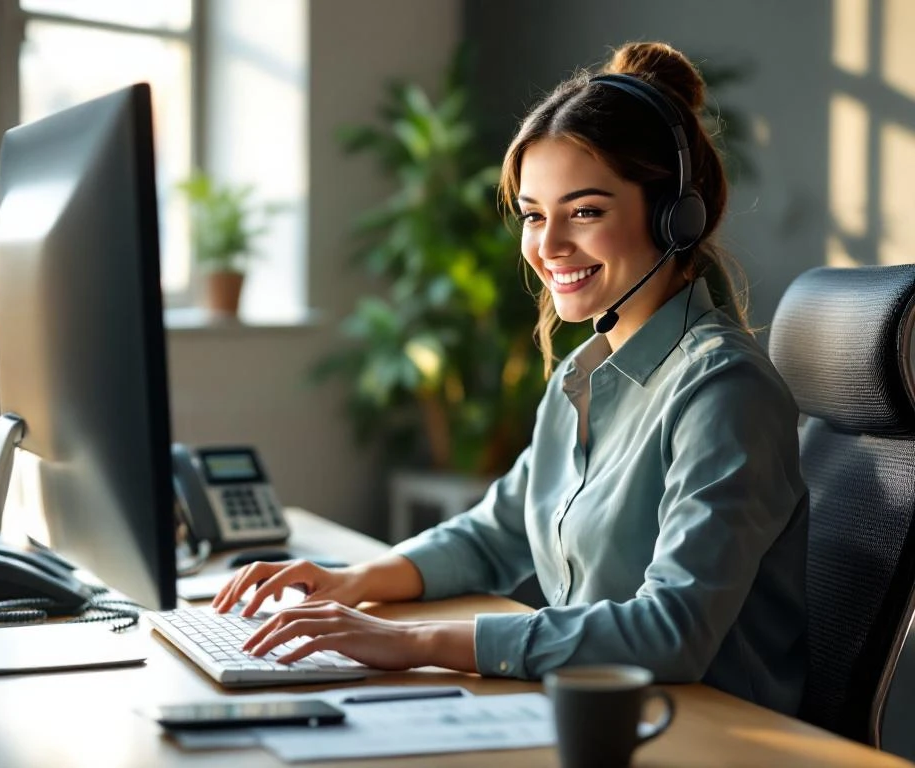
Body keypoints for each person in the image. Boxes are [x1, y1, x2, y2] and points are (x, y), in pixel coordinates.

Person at [213, 41, 809, 716]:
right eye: (533, 214)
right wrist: (350, 583)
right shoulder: (581, 381)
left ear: (676, 216)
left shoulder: (722, 390)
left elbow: (670, 631)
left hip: (711, 732)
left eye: (584, 211)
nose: (548, 246)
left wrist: (413, 642)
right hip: (598, 714)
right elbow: (497, 532)